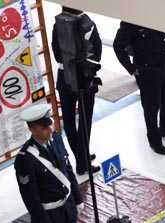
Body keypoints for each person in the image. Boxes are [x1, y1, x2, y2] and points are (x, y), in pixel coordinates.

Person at [15, 102, 82, 223]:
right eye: (44, 127)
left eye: (50, 124)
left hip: (67, 206)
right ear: (32, 129)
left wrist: (77, 198)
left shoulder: (57, 139)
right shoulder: (25, 159)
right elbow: (30, 196)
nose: (50, 129)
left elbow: (67, 169)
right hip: (49, 214)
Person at [113, 22, 165, 155]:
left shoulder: (161, 16)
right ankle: (155, 141)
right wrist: (131, 68)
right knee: (151, 108)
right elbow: (118, 46)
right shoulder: (131, 21)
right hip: (148, 72)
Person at [52, 7, 102, 175]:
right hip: (84, 78)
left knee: (68, 120)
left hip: (64, 76)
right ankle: (83, 161)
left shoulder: (58, 24)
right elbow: (97, 50)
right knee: (85, 120)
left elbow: (56, 53)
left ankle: (81, 156)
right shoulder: (88, 24)